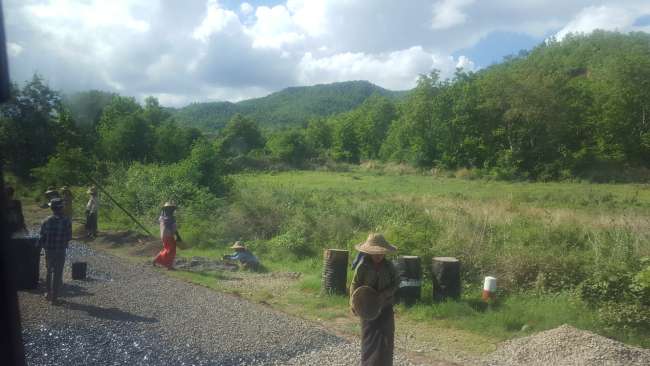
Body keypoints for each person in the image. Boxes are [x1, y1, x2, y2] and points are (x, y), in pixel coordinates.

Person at [350, 233, 399, 366]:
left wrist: (384, 294)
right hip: (367, 308)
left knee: (386, 337)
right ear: (369, 253)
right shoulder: (362, 267)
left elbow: (396, 283)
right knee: (369, 339)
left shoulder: (390, 267)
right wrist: (353, 304)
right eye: (375, 253)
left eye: (381, 253)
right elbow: (355, 284)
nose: (378, 256)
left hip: (385, 307)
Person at [39, 198, 72, 305]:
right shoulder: (67, 221)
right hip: (60, 250)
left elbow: (42, 237)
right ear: (61, 208)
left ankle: (48, 294)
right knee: (58, 274)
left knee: (49, 271)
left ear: (52, 209)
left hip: (49, 251)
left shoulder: (46, 221)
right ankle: (55, 298)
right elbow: (68, 237)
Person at [153, 201, 181, 270]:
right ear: (168, 209)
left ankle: (156, 260)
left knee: (167, 249)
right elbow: (174, 229)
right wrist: (178, 236)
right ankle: (168, 265)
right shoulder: (171, 218)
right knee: (171, 250)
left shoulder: (161, 217)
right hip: (168, 236)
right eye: (171, 208)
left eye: (172, 208)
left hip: (163, 236)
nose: (172, 210)